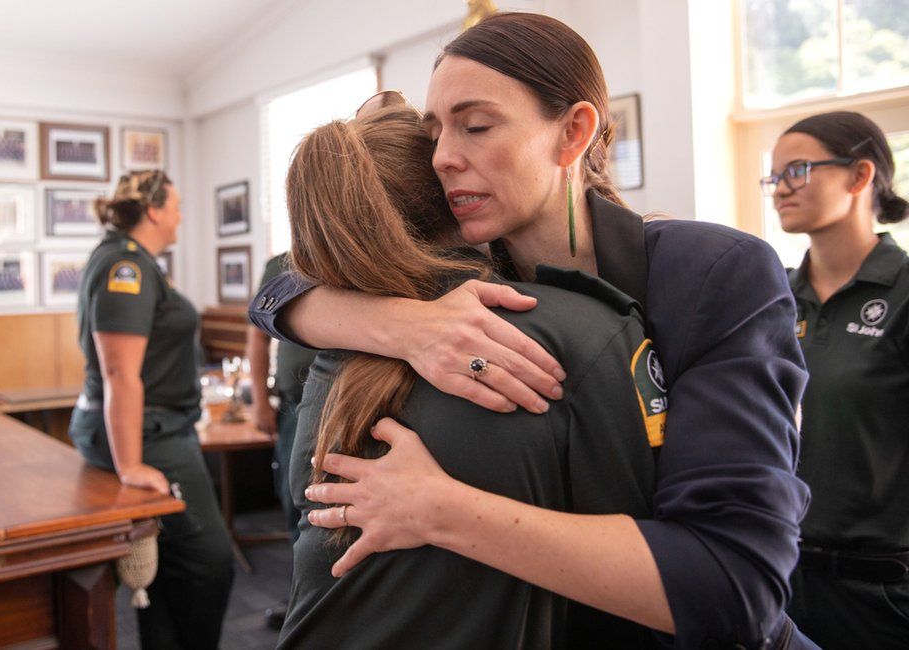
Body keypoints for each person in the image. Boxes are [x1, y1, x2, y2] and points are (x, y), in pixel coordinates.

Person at [251, 13, 812, 649]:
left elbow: (736, 585)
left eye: (477, 126)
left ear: (572, 133)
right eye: (432, 134)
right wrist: (404, 326)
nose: (442, 158)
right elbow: (274, 296)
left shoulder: (712, 271)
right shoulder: (464, 287)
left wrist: (440, 510)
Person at [275, 103, 662, 648]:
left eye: (476, 128)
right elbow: (650, 574)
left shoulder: (325, 343)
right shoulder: (585, 330)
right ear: (455, 200)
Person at [69, 170, 234, 650]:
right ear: (155, 210)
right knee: (209, 561)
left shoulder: (135, 261)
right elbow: (120, 373)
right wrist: (131, 464)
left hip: (157, 428)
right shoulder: (127, 266)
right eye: (177, 206)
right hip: (149, 435)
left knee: (167, 564)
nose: (181, 216)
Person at [765, 111, 909, 649]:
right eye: (774, 175)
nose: (780, 188)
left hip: (883, 593)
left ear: (859, 176)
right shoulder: (771, 296)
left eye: (797, 170)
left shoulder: (903, 292)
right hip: (781, 580)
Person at [245, 251, 317, 630]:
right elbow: (257, 338)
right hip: (291, 407)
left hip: (342, 404)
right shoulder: (279, 265)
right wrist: (260, 400)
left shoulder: (347, 251)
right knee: (292, 502)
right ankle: (299, 599)